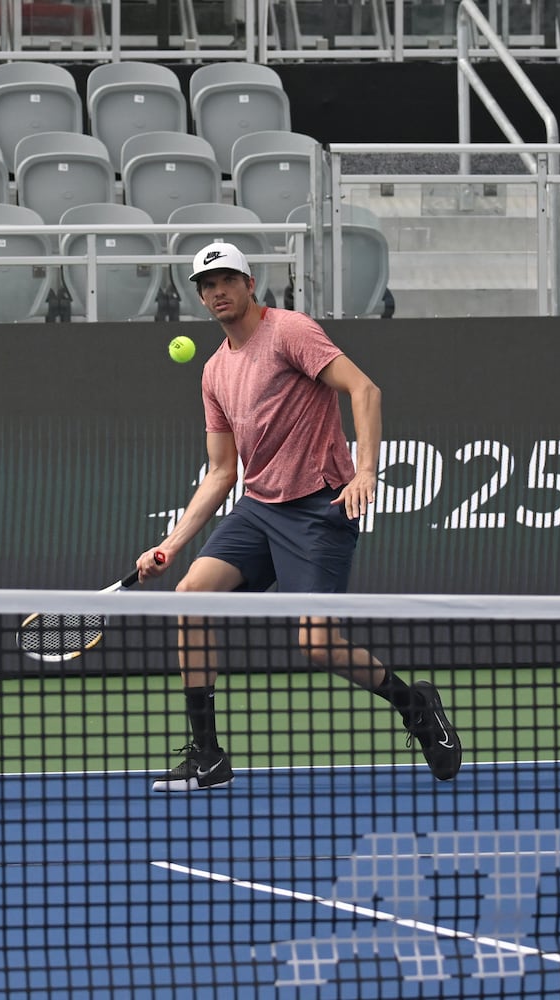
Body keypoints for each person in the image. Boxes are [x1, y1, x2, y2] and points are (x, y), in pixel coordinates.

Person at [136, 241, 461, 792]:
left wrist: (365, 472)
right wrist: (171, 544)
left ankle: (414, 703)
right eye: (206, 285)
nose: (217, 292)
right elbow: (220, 473)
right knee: (190, 597)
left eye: (226, 280)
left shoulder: (290, 332)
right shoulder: (214, 371)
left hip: (317, 507)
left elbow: (365, 389)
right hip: (259, 510)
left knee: (317, 644)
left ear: (248, 283)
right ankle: (208, 755)